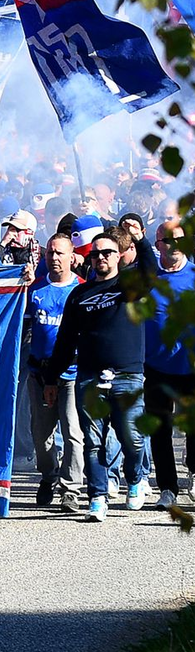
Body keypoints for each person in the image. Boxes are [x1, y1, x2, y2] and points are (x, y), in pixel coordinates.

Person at [45, 229, 148, 522]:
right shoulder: (79, 293)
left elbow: (151, 267)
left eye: (107, 253)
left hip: (128, 375)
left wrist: (140, 240)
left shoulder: (131, 284)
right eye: (96, 253)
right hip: (89, 377)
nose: (101, 258)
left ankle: (135, 477)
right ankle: (98, 496)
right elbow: (65, 341)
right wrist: (51, 378)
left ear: (119, 256)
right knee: (93, 440)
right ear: (88, 258)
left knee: (131, 436)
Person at [28, 234, 84, 512]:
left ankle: (71, 489)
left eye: (60, 253)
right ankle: (48, 476)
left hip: (73, 373)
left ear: (72, 257)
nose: (54, 258)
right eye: (50, 252)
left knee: (73, 432)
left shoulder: (83, 290)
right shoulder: (35, 289)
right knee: (41, 434)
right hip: (40, 373)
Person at [143, 218, 195, 509]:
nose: (172, 246)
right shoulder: (147, 278)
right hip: (156, 366)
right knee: (160, 430)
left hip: (190, 365)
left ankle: (194, 471)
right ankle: (167, 488)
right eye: (166, 241)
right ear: (158, 244)